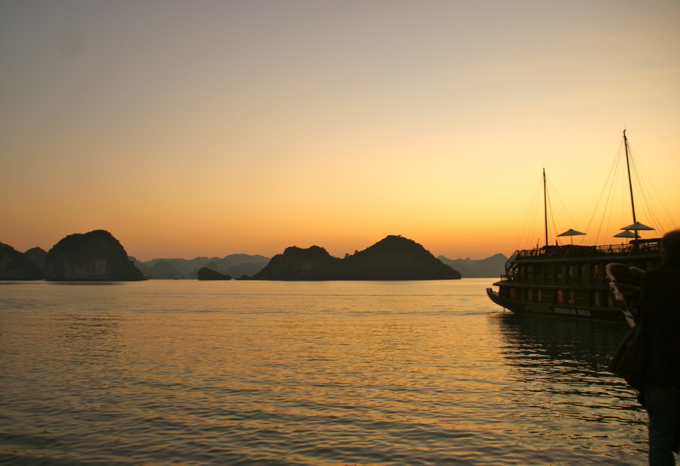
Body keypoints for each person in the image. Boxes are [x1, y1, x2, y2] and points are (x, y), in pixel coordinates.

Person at [639, 229, 680, 465]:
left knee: (660, 435)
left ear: (664, 253)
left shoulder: (652, 279)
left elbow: (645, 322)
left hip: (662, 371)